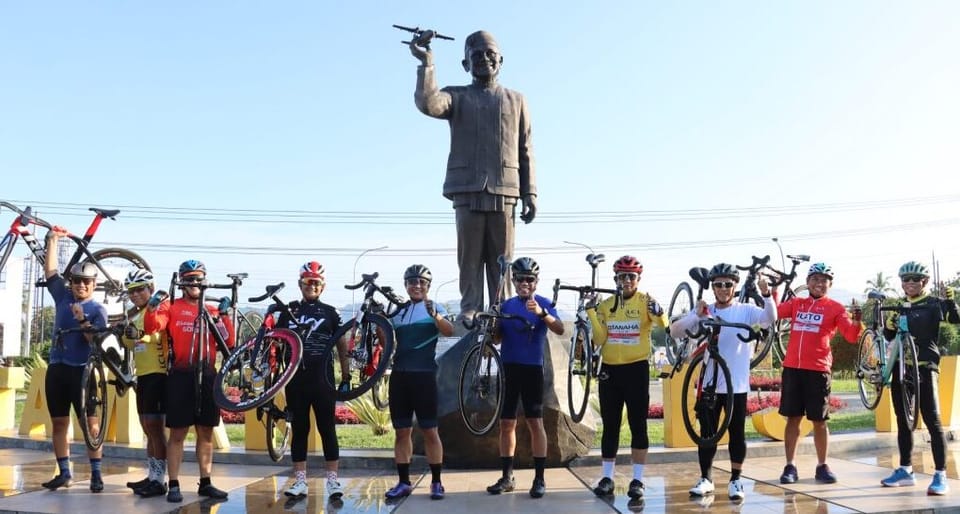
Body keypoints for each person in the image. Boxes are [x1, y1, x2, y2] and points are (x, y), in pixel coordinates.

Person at [409, 30, 537, 321]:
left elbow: (525, 148)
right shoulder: (456, 96)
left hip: (505, 189)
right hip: (466, 187)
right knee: (469, 257)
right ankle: (470, 306)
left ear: (501, 60)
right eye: (475, 55)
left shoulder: (516, 100)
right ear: (465, 64)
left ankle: (501, 308)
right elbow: (428, 102)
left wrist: (530, 192)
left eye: (490, 54)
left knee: (502, 260)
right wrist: (426, 62)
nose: (484, 59)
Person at [669, 263, 777, 501]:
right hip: (709, 384)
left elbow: (769, 319)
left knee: (736, 433)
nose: (723, 288)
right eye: (718, 284)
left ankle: (736, 480)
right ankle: (706, 478)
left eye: (728, 284)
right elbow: (675, 331)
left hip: (736, 385)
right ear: (713, 288)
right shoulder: (705, 310)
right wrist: (695, 316)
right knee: (707, 432)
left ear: (735, 286)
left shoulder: (745, 310)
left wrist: (766, 294)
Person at [143, 259, 235, 503]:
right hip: (181, 376)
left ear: (204, 280)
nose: (194, 283)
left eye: (198, 278)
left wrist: (225, 315)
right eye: (189, 278)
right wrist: (152, 309)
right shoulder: (172, 307)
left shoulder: (213, 310)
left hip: (208, 375)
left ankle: (206, 482)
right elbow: (153, 327)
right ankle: (173, 484)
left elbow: (229, 343)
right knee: (178, 433)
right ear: (182, 281)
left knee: (206, 432)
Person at [775, 262, 863, 485]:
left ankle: (822, 466)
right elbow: (773, 312)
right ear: (807, 282)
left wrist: (857, 320)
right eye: (815, 279)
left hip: (818, 370)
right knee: (793, 418)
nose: (819, 283)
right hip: (793, 368)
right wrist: (771, 292)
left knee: (819, 421)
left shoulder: (835, 308)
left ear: (830, 285)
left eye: (824, 280)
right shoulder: (797, 303)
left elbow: (852, 336)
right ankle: (790, 466)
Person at [588, 255, 667, 500]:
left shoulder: (646, 301)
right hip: (610, 371)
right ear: (616, 279)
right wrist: (592, 311)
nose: (627, 281)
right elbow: (599, 339)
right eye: (622, 276)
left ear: (638, 279)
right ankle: (607, 477)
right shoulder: (606, 304)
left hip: (636, 370)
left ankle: (637, 480)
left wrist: (661, 312)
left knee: (638, 425)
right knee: (610, 426)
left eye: (631, 276)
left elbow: (663, 326)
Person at [485, 257, 563, 499]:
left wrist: (542, 314)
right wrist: (494, 321)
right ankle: (507, 477)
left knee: (534, 422)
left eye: (530, 279)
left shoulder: (544, 303)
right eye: (520, 279)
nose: (525, 283)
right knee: (506, 424)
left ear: (536, 282)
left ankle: (539, 479)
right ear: (514, 280)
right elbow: (496, 339)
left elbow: (559, 328)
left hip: (532, 370)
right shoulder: (506, 305)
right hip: (509, 369)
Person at [879, 261, 959, 495]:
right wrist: (890, 324)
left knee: (932, 421)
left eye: (915, 279)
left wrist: (951, 300)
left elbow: (956, 319)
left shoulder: (934, 304)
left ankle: (940, 475)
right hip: (902, 369)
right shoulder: (899, 306)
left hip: (925, 366)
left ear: (924, 282)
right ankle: (905, 470)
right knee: (903, 420)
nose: (910, 283)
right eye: (906, 280)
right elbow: (888, 335)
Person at [40, 227, 109, 492]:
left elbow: (95, 342)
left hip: (82, 371)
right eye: (77, 281)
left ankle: (96, 473)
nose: (80, 285)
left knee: (89, 423)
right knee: (59, 422)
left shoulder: (97, 310)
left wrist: (82, 319)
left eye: (86, 282)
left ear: (93, 285)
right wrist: (53, 240)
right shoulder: (63, 297)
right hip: (57, 368)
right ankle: (65, 472)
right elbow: (50, 272)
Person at [278, 261, 350, 501]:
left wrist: (347, 375)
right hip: (295, 378)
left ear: (323, 286)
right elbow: (274, 341)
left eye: (316, 282)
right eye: (308, 282)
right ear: (300, 284)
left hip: (323, 379)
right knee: (300, 429)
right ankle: (300, 481)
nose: (312, 286)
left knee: (327, 428)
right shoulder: (288, 311)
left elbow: (342, 344)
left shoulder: (331, 312)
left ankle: (332, 481)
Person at [383, 265, 455, 501]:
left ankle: (436, 482)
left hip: (424, 376)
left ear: (428, 286)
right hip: (400, 376)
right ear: (406, 285)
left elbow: (448, 330)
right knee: (401, 432)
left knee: (430, 430)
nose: (416, 285)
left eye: (422, 282)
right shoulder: (399, 311)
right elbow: (386, 340)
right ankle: (404, 482)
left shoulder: (434, 307)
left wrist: (436, 315)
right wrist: (380, 321)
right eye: (412, 281)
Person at [120, 269, 170, 498]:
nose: (135, 294)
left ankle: (160, 481)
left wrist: (141, 335)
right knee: (146, 428)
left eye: (140, 289)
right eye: (131, 291)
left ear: (151, 288)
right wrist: (127, 335)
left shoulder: (158, 308)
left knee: (155, 428)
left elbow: (157, 333)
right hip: (144, 375)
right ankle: (152, 476)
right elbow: (132, 345)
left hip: (159, 373)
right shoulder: (136, 314)